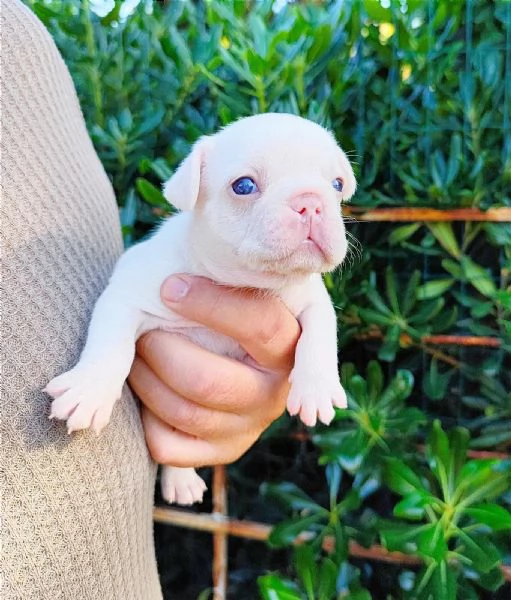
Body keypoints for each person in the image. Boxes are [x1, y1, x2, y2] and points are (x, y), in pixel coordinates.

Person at [1, 1, 300, 598]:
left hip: (118, 569)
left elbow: (109, 296)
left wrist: (243, 390)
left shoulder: (18, 38)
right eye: (246, 186)